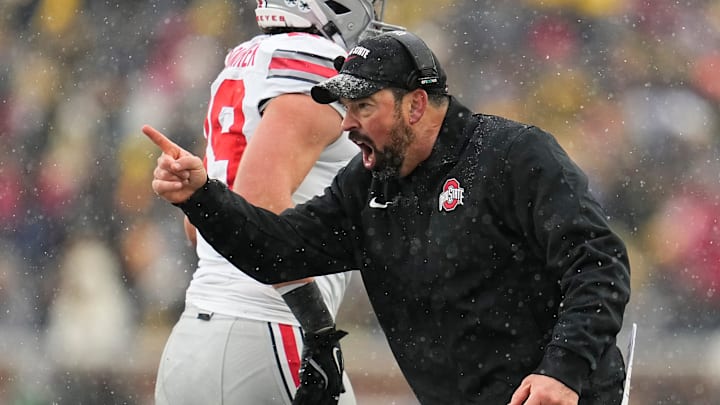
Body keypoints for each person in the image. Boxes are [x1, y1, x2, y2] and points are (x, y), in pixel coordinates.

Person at [144, 30, 632, 405]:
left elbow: (599, 264)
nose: (347, 123)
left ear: (416, 104)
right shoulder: (366, 185)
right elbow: (277, 251)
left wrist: (563, 371)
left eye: (363, 106)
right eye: (345, 107)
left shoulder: (512, 154)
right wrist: (202, 195)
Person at [152, 2, 402, 404]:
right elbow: (259, 202)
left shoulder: (246, 63)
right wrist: (318, 329)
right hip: (272, 331)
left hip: (194, 337)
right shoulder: (321, 65)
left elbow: (202, 228)